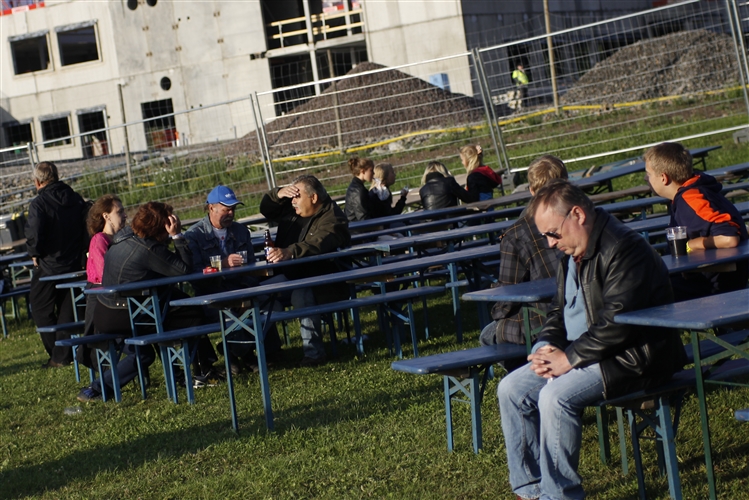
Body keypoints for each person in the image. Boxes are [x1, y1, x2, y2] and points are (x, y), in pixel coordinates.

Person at [497, 180, 685, 500]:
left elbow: (619, 322)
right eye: (545, 235)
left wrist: (567, 359)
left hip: (634, 357)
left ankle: (562, 496)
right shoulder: (572, 251)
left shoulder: (624, 247)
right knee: (511, 389)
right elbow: (558, 310)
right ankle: (530, 490)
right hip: (589, 351)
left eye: (553, 233)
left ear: (577, 215)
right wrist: (544, 347)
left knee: (554, 397)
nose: (550, 243)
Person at [77, 202, 214, 401]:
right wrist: (176, 236)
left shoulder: (122, 239)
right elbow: (184, 270)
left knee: (144, 354)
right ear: (162, 226)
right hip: (126, 315)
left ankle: (96, 389)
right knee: (192, 315)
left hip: (105, 313)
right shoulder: (148, 249)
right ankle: (196, 372)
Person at [479, 156, 568, 371]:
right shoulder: (583, 216)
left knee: (488, 334)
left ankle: (524, 376)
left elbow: (507, 294)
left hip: (543, 319)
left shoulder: (517, 233)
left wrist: (498, 314)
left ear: (530, 190)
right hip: (582, 309)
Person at [184, 185, 283, 372]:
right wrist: (222, 264)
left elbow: (252, 267)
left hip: (242, 288)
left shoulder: (240, 231)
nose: (231, 213)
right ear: (211, 208)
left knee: (272, 302)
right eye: (226, 209)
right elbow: (195, 274)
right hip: (212, 294)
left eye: (233, 209)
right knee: (234, 312)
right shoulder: (194, 236)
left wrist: (246, 288)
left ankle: (235, 349)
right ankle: (244, 354)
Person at [259, 175, 351, 366]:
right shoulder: (293, 209)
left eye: (297, 196)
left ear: (314, 198)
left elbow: (319, 243)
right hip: (289, 275)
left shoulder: (333, 217)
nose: (292, 202)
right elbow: (266, 209)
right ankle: (268, 353)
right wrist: (279, 193)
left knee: (301, 296)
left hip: (322, 280)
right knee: (260, 295)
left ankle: (314, 354)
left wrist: (290, 252)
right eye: (291, 197)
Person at [644, 142, 748, 300]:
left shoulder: (692, 198)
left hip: (716, 285)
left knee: (647, 294)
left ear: (664, 178)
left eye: (649, 174)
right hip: (709, 277)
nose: (646, 178)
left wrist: (692, 244)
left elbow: (729, 238)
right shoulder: (689, 193)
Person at [25, 161, 87, 368]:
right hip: (75, 264)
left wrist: (34, 253)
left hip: (49, 265)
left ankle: (57, 354)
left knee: (40, 308)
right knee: (67, 310)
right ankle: (63, 354)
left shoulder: (39, 203)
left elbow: (34, 233)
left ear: (37, 181)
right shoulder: (76, 198)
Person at [77, 194, 128, 368]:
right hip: (101, 297)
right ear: (106, 216)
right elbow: (105, 273)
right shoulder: (99, 240)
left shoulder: (122, 238)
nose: (125, 215)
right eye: (119, 212)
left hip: (116, 294)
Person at [344, 156, 375, 222]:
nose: (373, 173)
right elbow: (363, 219)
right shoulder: (358, 191)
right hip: (357, 230)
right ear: (363, 171)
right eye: (371, 170)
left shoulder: (357, 187)